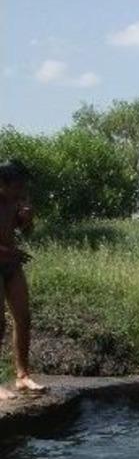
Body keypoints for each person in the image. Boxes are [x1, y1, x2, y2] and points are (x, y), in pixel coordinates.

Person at [0, 159, 46, 399]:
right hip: (5, 261)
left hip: (11, 266)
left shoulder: (14, 201)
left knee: (23, 318)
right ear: (3, 183)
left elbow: (22, 230)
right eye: (18, 185)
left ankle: (22, 376)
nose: (22, 190)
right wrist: (14, 253)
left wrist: (27, 219)